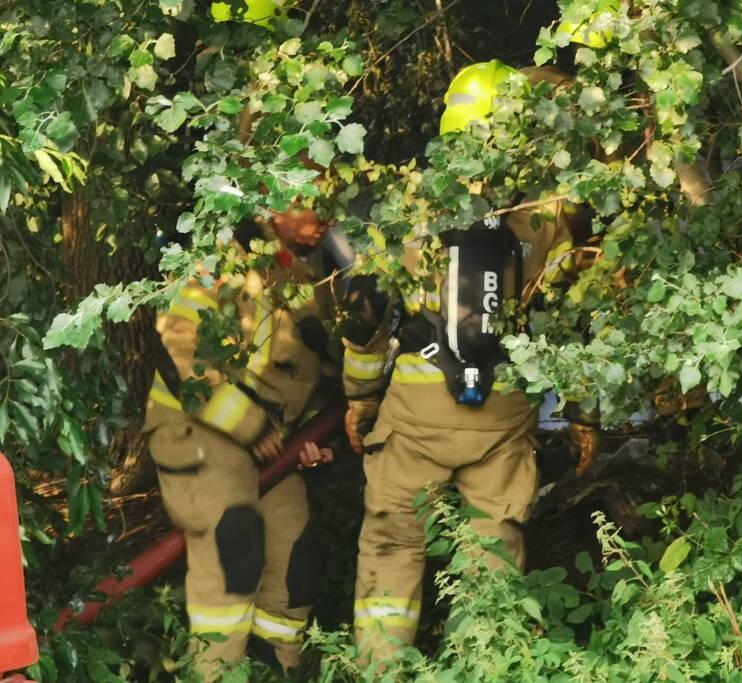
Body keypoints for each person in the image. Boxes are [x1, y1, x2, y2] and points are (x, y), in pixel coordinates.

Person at [340, 59, 602, 666]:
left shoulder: (410, 206)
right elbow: (578, 323)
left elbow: (363, 318)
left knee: (392, 548)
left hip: (414, 417)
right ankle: (482, 666)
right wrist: (582, 413)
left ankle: (382, 671)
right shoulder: (552, 214)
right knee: (494, 554)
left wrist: (360, 399)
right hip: (503, 416)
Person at [143, 202, 340, 678]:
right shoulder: (219, 258)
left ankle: (278, 670)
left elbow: (309, 374)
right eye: (315, 201)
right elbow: (180, 351)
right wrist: (251, 426)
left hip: (269, 442)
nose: (327, 217)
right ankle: (214, 673)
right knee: (237, 547)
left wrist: (315, 441)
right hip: (195, 432)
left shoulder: (305, 278)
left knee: (298, 553)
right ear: (275, 201)